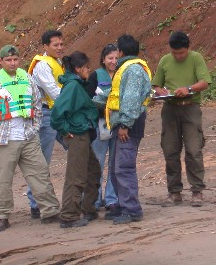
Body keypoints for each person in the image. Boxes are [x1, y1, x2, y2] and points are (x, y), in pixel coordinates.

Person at [0, 45, 60, 232]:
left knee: (40, 173)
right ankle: (1, 216)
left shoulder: (27, 78)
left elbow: (37, 105)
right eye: (8, 60)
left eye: (15, 59)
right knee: (1, 179)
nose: (12, 63)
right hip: (3, 138)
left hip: (27, 135)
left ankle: (50, 211)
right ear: (1, 62)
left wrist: (35, 127)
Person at [95, 34, 152, 224]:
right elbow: (115, 95)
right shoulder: (126, 69)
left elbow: (131, 99)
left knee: (124, 167)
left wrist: (126, 124)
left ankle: (132, 209)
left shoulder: (133, 70)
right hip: (120, 123)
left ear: (120, 51)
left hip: (128, 124)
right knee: (115, 167)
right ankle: (120, 204)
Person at [152, 31, 212, 208]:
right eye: (175, 53)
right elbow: (156, 84)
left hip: (190, 107)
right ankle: (174, 191)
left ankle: (197, 190)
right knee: (170, 150)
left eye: (181, 53)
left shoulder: (196, 58)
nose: (178, 56)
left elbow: (205, 82)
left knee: (194, 150)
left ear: (188, 48)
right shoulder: (165, 60)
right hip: (170, 108)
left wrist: (188, 88)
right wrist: (159, 91)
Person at [50, 51, 101, 228]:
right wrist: (65, 130)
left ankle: (88, 209)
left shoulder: (77, 84)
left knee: (93, 171)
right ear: (78, 69)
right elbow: (56, 114)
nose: (89, 70)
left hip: (82, 132)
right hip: (77, 133)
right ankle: (69, 215)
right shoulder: (73, 86)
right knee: (76, 176)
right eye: (86, 67)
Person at [26, 30, 66, 219]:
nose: (60, 48)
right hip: (45, 114)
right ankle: (37, 203)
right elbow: (54, 91)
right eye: (55, 45)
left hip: (58, 112)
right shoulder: (42, 66)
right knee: (42, 160)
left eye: (61, 44)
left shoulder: (57, 63)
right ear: (45, 47)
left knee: (74, 148)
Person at [87, 44, 119, 211]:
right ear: (103, 60)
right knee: (97, 161)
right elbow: (89, 99)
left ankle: (112, 199)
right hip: (101, 125)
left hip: (118, 124)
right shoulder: (95, 76)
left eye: (116, 58)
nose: (113, 61)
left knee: (115, 161)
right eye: (110, 58)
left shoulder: (123, 74)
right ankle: (95, 198)